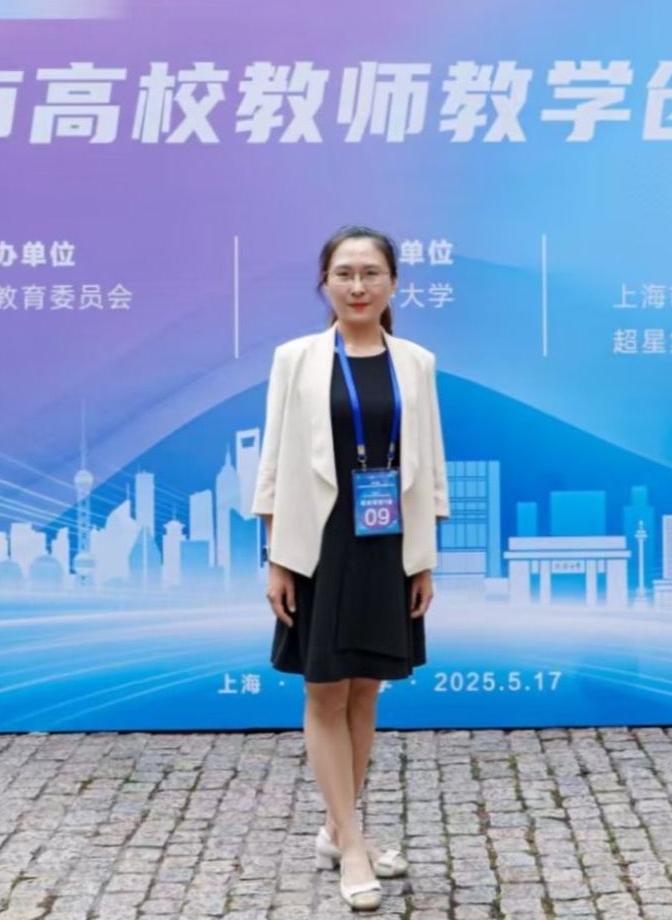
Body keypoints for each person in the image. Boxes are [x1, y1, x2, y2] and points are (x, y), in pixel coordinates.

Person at [252, 224, 449, 911]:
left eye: (371, 274)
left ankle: (338, 831)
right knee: (324, 691)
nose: (358, 286)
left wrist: (423, 562)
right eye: (345, 273)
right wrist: (276, 558)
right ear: (325, 282)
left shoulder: (416, 363)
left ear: (393, 283)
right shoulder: (296, 359)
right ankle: (354, 844)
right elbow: (274, 463)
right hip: (318, 543)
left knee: (366, 689)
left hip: (386, 542)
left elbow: (430, 465)